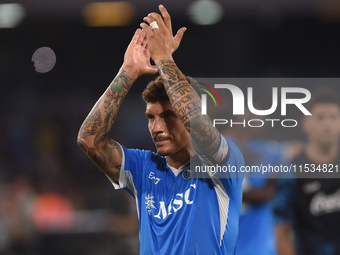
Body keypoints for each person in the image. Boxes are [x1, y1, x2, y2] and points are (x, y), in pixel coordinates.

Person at [77, 5, 244, 255]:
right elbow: (89, 141)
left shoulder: (223, 164)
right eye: (151, 117)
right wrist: (129, 71)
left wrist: (164, 58)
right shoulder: (144, 168)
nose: (157, 127)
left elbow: (197, 123)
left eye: (168, 116)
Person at [274, 89, 340, 255]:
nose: (327, 124)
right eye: (320, 117)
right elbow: (282, 231)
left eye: (333, 117)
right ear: (306, 123)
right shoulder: (291, 171)